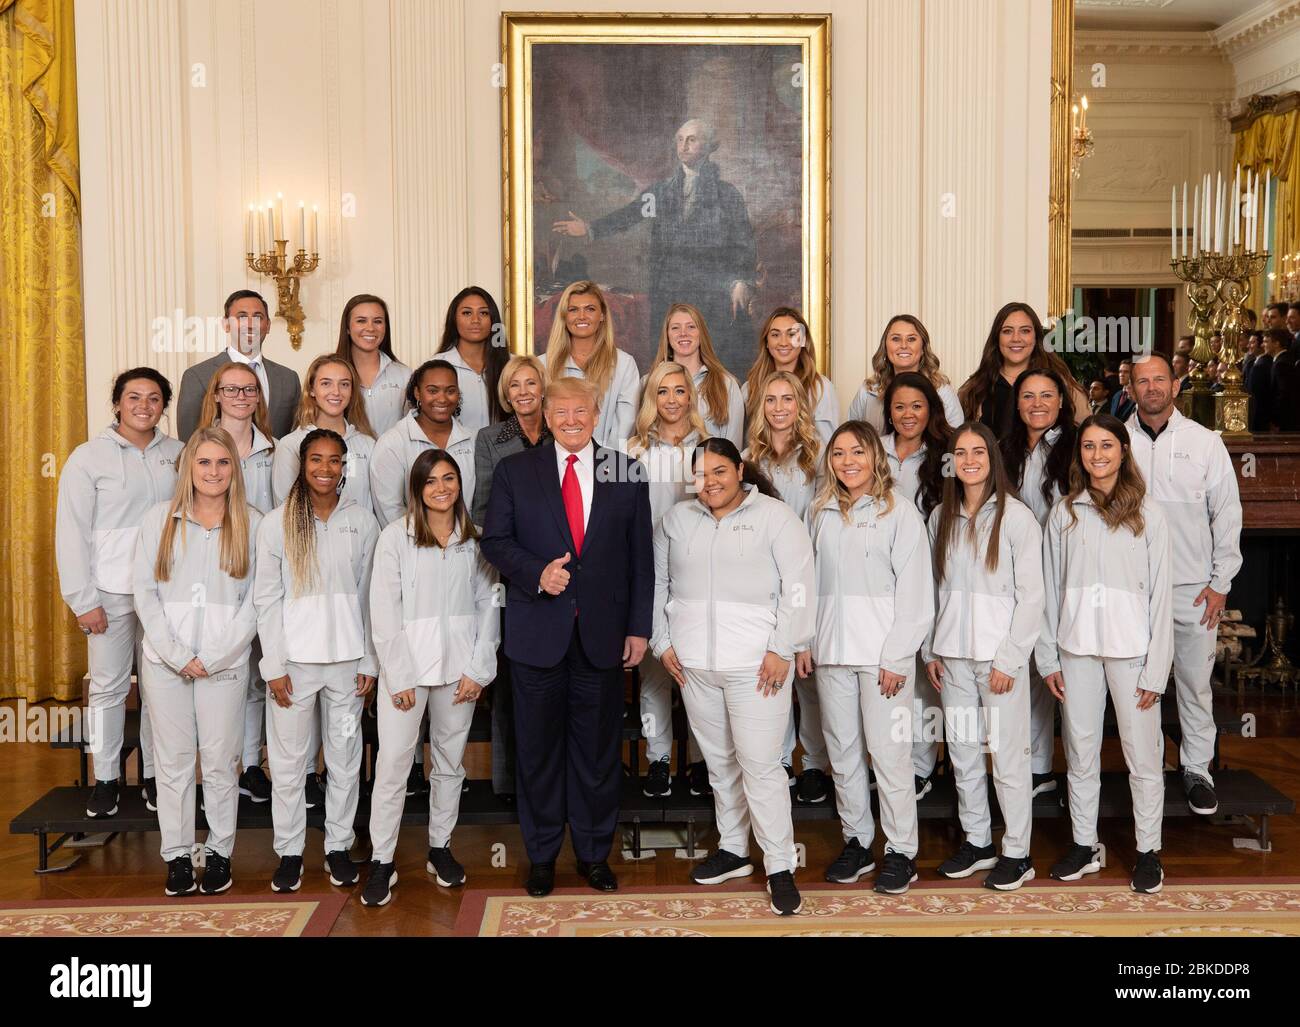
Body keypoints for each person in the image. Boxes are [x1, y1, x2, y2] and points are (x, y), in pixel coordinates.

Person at [481, 376, 654, 898]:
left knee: (597, 755)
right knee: (536, 752)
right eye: (561, 412)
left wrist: (639, 629)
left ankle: (594, 855)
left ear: (596, 414)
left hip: (603, 638)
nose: (572, 420)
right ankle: (541, 858)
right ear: (547, 417)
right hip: (537, 636)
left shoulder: (626, 471)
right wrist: (537, 573)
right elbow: (495, 541)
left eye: (581, 411)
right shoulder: (515, 471)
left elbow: (641, 560)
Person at [652, 439, 814, 915]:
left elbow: (801, 587)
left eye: (720, 471)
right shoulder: (677, 521)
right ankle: (734, 851)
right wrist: (662, 643)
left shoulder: (775, 518)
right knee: (720, 764)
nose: (711, 482)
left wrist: (784, 647)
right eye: (701, 474)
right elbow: (656, 582)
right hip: (696, 667)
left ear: (740, 469)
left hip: (758, 667)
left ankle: (780, 865)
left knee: (761, 766)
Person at [1039, 414, 1173, 894]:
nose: (1098, 455)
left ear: (1123, 451)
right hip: (1076, 650)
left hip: (1132, 652)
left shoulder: (1150, 515)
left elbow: (1161, 598)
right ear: (1080, 455)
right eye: (1089, 447)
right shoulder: (1064, 513)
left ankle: (1148, 851)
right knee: (1080, 752)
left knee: (1143, 755)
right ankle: (1083, 844)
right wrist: (1048, 658)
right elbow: (1049, 590)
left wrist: (1157, 669)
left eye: (1107, 446)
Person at [361, 450, 499, 906]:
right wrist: (398, 676)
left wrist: (479, 668)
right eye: (431, 481)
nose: (442, 488)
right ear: (416, 488)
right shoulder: (394, 539)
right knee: (394, 766)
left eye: (450, 478)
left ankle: (440, 847)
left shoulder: (475, 540)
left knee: (449, 764)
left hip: (459, 672)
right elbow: (383, 612)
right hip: (407, 674)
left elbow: (489, 606)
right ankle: (382, 861)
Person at [806, 421, 932, 895]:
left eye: (857, 452)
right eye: (838, 454)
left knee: (889, 755)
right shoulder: (820, 511)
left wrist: (898, 656)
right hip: (832, 651)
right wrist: (806, 641)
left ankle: (901, 851)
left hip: (883, 656)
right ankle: (857, 841)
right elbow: (808, 582)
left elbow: (916, 591)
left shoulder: (899, 512)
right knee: (842, 752)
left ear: (875, 457)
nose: (847, 462)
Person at [133, 427, 259, 896]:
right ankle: (180, 856)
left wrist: (213, 655)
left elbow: (257, 602)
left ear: (234, 469)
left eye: (222, 463)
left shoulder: (253, 522)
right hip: (166, 664)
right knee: (175, 763)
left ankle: (221, 851)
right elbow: (144, 593)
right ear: (188, 467)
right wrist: (178, 654)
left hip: (222, 666)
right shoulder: (157, 521)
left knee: (222, 762)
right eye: (204, 462)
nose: (213, 471)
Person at [255, 429, 379, 893]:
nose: (325, 469)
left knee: (345, 758)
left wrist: (370, 660)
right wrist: (274, 666)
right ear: (302, 465)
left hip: (348, 669)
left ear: (344, 465)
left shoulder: (362, 521)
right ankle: (289, 851)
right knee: (288, 763)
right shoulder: (277, 522)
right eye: (316, 460)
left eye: (334, 460)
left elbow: (372, 599)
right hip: (295, 668)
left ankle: (338, 847)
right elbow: (265, 600)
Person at [56, 368, 183, 818]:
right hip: (108, 594)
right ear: (117, 403)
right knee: (109, 689)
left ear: (163, 406)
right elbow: (71, 532)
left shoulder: (180, 453)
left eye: (153, 398)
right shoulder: (87, 458)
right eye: (134, 397)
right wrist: (82, 599)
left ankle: (152, 775)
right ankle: (106, 779)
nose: (143, 406)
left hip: (166, 592)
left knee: (158, 688)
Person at [924, 423, 1044, 891]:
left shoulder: (1017, 519)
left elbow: (1031, 598)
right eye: (960, 452)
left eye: (979, 451)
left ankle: (1018, 851)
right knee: (963, 755)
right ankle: (977, 841)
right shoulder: (940, 516)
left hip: (998, 662)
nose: (969, 459)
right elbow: (933, 590)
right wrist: (930, 646)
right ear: (950, 461)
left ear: (993, 458)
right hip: (952, 657)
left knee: (1008, 758)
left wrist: (1009, 659)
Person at [1127, 353, 1241, 816]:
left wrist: (1221, 582)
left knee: (1194, 685)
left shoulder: (1205, 442)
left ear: (1175, 386)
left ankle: (1197, 769)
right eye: (1142, 381)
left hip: (1193, 588)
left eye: (1159, 379)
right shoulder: (1116, 439)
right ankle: (1149, 767)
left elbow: (1227, 513)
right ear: (1130, 388)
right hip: (1134, 590)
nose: (1151, 387)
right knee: (1142, 687)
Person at [552, 118, 757, 374]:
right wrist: (590, 228)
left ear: (709, 146)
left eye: (692, 140)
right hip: (668, 290)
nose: (684, 146)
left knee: (710, 362)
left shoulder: (727, 194)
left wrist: (740, 280)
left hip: (709, 293)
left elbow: (743, 243)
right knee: (668, 365)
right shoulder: (661, 192)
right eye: (680, 140)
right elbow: (629, 215)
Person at [743, 370, 828, 800]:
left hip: (805, 575)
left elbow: (824, 521)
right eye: (771, 400)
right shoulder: (747, 459)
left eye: (787, 399)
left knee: (806, 675)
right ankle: (779, 759)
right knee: (770, 676)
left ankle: (813, 764)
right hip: (762, 582)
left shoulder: (817, 457)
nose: (779, 408)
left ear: (800, 406)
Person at [627, 363, 710, 797]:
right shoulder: (633, 451)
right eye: (663, 392)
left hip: (697, 570)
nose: (673, 399)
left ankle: (699, 760)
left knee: (696, 671)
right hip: (649, 570)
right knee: (655, 676)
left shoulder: (709, 446)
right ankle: (657, 759)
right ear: (652, 399)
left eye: (680, 391)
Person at [195, 363, 276, 802]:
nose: (241, 395)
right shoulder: (201, 447)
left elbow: (282, 510)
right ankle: (218, 768)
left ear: (259, 397)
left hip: (262, 571)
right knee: (222, 672)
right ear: (217, 395)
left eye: (250, 389)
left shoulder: (275, 450)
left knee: (258, 676)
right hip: (216, 575)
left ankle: (250, 765)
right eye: (232, 389)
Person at [471, 354, 550, 803]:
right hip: (512, 572)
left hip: (564, 570)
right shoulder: (491, 439)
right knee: (510, 678)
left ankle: (552, 781)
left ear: (543, 388)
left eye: (530, 383)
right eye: (513, 386)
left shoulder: (564, 431)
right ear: (505, 395)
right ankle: (510, 784)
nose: (522, 392)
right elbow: (482, 509)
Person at [999, 367, 1077, 795]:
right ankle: (1031, 765)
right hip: (1013, 574)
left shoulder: (1075, 446)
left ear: (1061, 403)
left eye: (1047, 396)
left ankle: (1045, 767)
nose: (1038, 405)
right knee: (1023, 665)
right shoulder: (1004, 448)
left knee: (1053, 664)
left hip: (1062, 571)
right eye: (1028, 397)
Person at [878, 373, 954, 793]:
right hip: (880, 576)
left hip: (932, 570)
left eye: (917, 406)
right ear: (888, 411)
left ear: (931, 410)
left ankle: (921, 766)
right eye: (900, 407)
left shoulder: (945, 454)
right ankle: (892, 759)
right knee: (892, 663)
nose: (908, 415)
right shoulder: (874, 450)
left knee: (925, 667)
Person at [177, 290, 301, 440]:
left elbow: (294, 439)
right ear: (227, 325)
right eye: (241, 317)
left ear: (268, 326)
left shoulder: (288, 379)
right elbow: (189, 441)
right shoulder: (197, 376)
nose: (250, 325)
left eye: (257, 317)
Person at [371, 359, 476, 529]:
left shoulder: (473, 439)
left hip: (464, 545)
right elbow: (390, 510)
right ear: (417, 393)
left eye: (450, 391)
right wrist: (427, 542)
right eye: (432, 391)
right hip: (414, 547)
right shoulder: (392, 443)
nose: (442, 398)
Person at [959, 302, 1088, 436]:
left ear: (1036, 336)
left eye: (1025, 331)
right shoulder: (973, 389)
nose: (1016, 338)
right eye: (1007, 331)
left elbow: (1088, 434)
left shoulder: (1062, 383)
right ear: (997, 337)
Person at [273, 355, 378, 518]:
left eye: (344, 384)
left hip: (357, 540)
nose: (336, 392)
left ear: (352, 391)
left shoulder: (368, 445)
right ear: (312, 390)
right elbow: (284, 509)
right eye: (326, 383)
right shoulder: (291, 445)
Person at [543, 280, 641, 451]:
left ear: (602, 315)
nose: (582, 316)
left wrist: (603, 463)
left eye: (590, 309)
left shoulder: (624, 364)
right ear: (564, 316)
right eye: (573, 309)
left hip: (605, 465)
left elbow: (626, 424)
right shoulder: (543, 365)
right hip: (555, 463)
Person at [648, 303, 745, 446]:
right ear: (667, 335)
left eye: (691, 327)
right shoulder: (649, 382)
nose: (683, 333)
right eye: (675, 328)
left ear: (701, 333)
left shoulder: (726, 384)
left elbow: (733, 449)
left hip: (707, 467)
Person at [847, 315, 964, 432]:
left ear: (923, 348)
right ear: (885, 347)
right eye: (896, 339)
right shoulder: (868, 390)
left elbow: (956, 442)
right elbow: (850, 436)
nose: (903, 345)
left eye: (911, 339)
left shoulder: (942, 391)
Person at [741, 308, 838, 445]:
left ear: (803, 340)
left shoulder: (821, 388)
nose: (783, 342)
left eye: (791, 334)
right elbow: (744, 443)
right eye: (775, 335)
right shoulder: (750, 388)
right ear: (767, 342)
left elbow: (828, 446)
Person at [333, 294, 411, 437]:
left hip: (394, 458)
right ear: (347, 328)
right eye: (361, 321)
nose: (370, 328)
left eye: (378, 321)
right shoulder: (329, 375)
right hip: (345, 458)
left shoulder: (405, 375)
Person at [436, 287, 510, 434]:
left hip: (503, 455)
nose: (475, 320)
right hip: (454, 455)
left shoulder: (512, 365)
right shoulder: (437, 367)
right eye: (467, 313)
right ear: (454, 319)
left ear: (493, 320)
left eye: (483, 313)